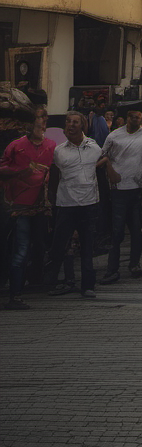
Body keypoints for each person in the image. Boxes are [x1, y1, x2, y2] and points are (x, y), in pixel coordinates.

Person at [46, 111, 106, 298]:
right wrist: (52, 200)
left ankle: (88, 285)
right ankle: (53, 282)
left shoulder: (94, 148)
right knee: (59, 246)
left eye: (75, 122)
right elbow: (55, 177)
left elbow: (100, 168)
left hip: (89, 204)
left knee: (87, 246)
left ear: (82, 126)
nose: (71, 125)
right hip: (66, 204)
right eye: (68, 122)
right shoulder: (59, 151)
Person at [1, 107, 55, 309]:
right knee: (20, 249)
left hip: (43, 206)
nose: (42, 122)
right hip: (20, 206)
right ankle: (15, 294)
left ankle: (34, 281)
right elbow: (3, 170)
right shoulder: (16, 146)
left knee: (40, 245)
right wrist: (23, 171)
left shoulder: (52, 145)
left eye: (44, 118)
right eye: (39, 118)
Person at [99, 108, 142, 284]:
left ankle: (134, 264)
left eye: (138, 117)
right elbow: (102, 158)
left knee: (136, 229)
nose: (135, 120)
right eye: (132, 116)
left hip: (137, 188)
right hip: (118, 190)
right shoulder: (114, 136)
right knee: (117, 231)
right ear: (126, 118)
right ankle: (112, 268)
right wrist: (110, 169)